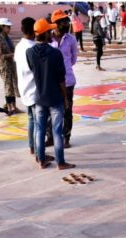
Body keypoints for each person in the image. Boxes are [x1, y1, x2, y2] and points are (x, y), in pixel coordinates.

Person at [27, 17, 75, 171]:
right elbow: (61, 80)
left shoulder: (30, 52)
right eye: (49, 31)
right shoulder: (55, 53)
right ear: (45, 33)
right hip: (55, 97)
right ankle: (60, 162)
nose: (52, 33)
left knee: (40, 130)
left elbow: (33, 70)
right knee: (57, 131)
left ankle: (41, 160)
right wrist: (65, 98)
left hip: (39, 96)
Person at [14, 16, 41, 160]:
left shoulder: (19, 46)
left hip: (24, 87)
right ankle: (39, 153)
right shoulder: (32, 48)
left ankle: (32, 147)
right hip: (34, 89)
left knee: (31, 120)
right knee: (38, 124)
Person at [49, 9, 77, 148]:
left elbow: (73, 59)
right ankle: (51, 136)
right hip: (52, 81)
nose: (67, 23)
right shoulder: (48, 39)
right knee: (51, 109)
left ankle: (66, 137)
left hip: (68, 80)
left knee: (67, 110)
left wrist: (64, 68)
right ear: (55, 24)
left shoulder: (71, 39)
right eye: (63, 22)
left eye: (67, 21)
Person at [0, 18, 21, 115]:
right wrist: (13, 54)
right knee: (7, 86)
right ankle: (9, 107)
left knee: (12, 86)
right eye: (8, 27)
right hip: (4, 66)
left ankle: (14, 106)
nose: (9, 29)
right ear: (2, 27)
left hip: (11, 65)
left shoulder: (7, 38)